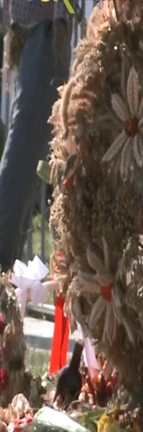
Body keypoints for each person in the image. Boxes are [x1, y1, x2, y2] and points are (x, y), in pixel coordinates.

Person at [0, 0, 71, 270]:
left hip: (42, 33)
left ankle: (7, 278)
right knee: (20, 170)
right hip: (43, 34)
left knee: (23, 175)